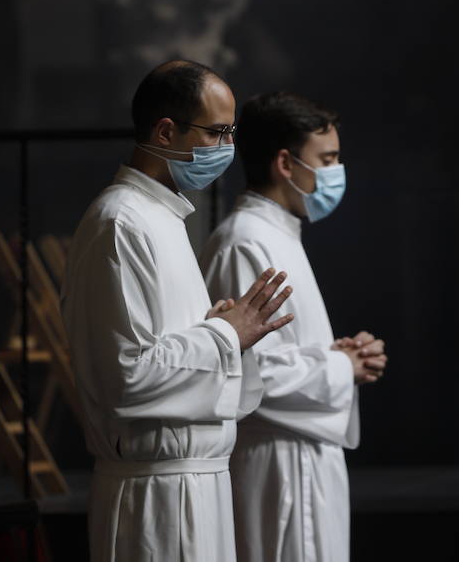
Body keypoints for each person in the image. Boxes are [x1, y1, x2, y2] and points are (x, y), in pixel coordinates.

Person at [62, 59, 295, 562]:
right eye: (217, 133)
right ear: (166, 130)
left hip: (196, 481)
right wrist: (224, 337)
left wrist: (224, 333)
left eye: (232, 134)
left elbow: (166, 354)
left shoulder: (160, 217)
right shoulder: (120, 223)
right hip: (156, 496)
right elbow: (124, 376)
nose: (227, 150)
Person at [201, 91, 387, 562]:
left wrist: (342, 356)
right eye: (327, 159)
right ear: (285, 162)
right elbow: (247, 371)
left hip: (306, 458)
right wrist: (341, 368)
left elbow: (285, 351)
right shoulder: (244, 242)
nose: (335, 172)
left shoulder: (277, 234)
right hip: (279, 467)